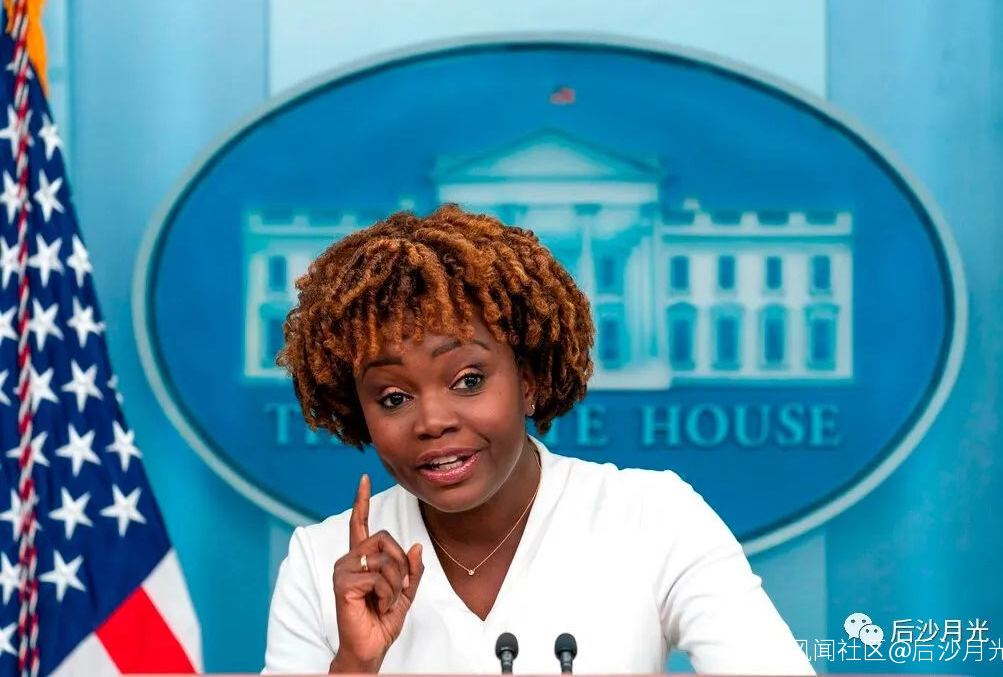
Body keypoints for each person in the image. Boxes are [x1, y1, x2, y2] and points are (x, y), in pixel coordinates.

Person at [263, 204, 815, 675]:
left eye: (468, 381)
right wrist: (355, 665)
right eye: (392, 398)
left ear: (528, 381)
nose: (432, 421)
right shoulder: (321, 562)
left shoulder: (652, 517)